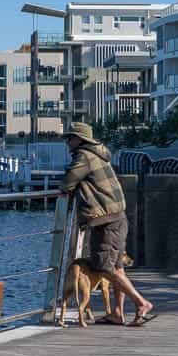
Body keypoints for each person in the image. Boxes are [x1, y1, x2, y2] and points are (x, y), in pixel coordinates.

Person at [60, 122, 155, 326]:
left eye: (70, 137)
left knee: (103, 267)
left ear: (80, 140)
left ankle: (141, 302)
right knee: (116, 267)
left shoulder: (83, 155)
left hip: (106, 220)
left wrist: (65, 189)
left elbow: (68, 181)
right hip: (117, 217)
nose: (67, 141)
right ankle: (117, 313)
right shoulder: (99, 155)